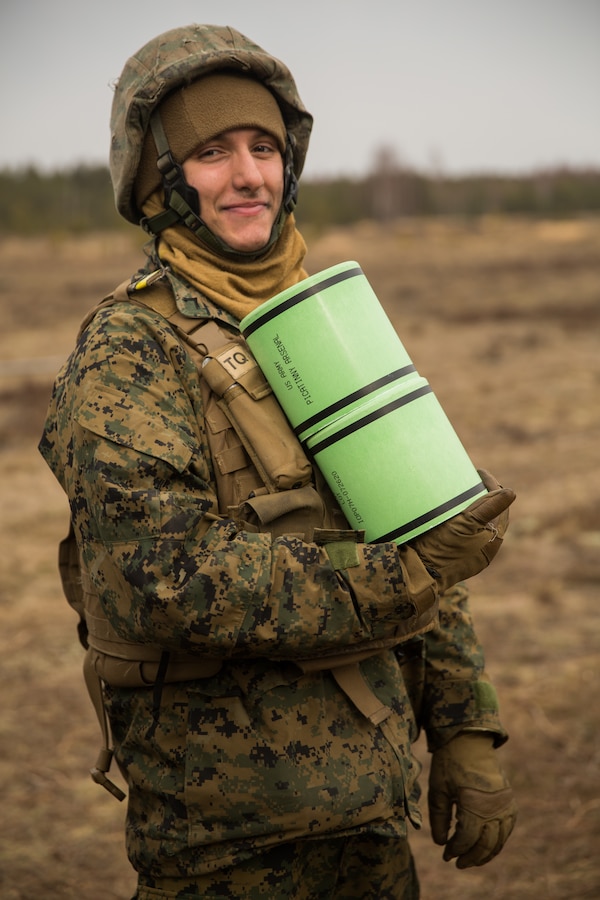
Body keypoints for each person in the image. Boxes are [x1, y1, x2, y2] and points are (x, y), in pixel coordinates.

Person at [39, 24, 517, 900]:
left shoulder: (318, 322)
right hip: (228, 843)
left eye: (264, 147)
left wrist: (465, 730)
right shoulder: (128, 350)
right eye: (211, 153)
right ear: (158, 180)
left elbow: (415, 534)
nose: (249, 175)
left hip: (370, 814)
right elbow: (164, 576)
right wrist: (395, 578)